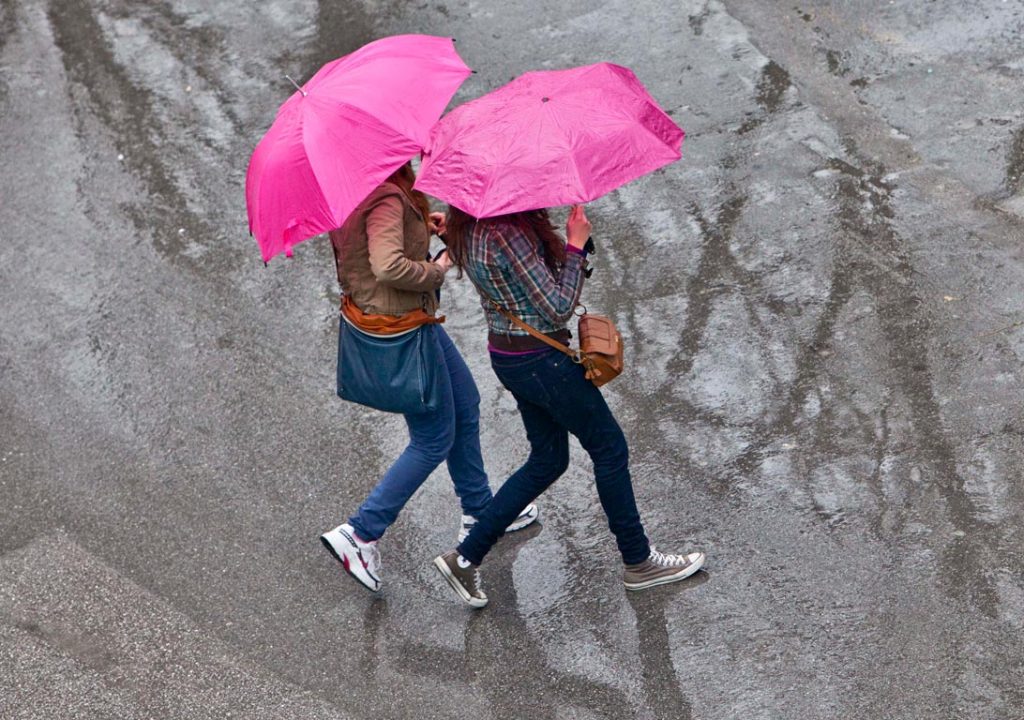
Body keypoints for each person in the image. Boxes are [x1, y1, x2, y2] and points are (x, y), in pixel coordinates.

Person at [432, 204, 705, 608]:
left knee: (548, 459)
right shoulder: (507, 230)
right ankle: (639, 561)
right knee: (609, 448)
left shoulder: (467, 220)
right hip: (542, 361)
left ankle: (465, 556)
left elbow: (503, 274)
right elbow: (556, 307)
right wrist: (576, 246)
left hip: (509, 354)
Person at [319, 161, 537, 593]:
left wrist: (421, 227)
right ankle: (360, 533)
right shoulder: (384, 195)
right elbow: (386, 266)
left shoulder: (356, 185)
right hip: (403, 329)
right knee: (433, 437)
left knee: (466, 402)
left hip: (407, 321)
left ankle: (480, 511)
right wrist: (434, 270)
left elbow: (371, 252)